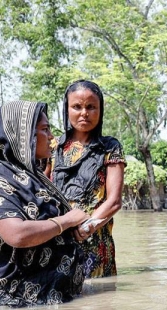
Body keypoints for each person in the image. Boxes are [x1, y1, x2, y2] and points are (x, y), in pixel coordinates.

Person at [0, 101, 93, 307]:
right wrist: (66, 220)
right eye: (45, 130)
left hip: (52, 296)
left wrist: (74, 229)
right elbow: (17, 234)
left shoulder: (31, 176)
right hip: (17, 301)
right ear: (22, 135)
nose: (52, 138)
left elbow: (46, 224)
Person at [49, 80, 126, 278]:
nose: (84, 113)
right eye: (77, 107)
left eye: (91, 107)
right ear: (67, 110)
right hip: (58, 237)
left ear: (100, 111)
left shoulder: (110, 147)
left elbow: (114, 201)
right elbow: (43, 190)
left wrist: (87, 226)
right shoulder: (53, 147)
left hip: (95, 238)